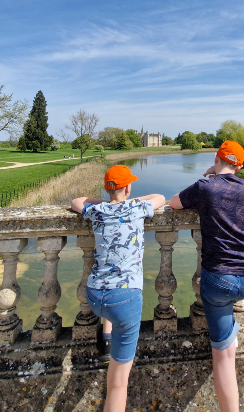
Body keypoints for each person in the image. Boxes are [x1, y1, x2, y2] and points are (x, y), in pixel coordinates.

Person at [169, 141, 244, 412]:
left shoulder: (205, 186)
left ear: (216, 158)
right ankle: (230, 334)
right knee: (227, 329)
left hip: (221, 278)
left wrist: (210, 175)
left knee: (221, 358)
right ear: (240, 166)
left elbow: (174, 203)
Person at [71, 165, 165, 412]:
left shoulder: (97, 211)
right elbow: (161, 198)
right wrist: (130, 199)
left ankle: (106, 338)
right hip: (125, 298)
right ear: (128, 187)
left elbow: (76, 201)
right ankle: (111, 344)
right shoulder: (136, 208)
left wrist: (106, 199)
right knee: (118, 384)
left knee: (110, 307)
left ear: (107, 188)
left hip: (94, 294)